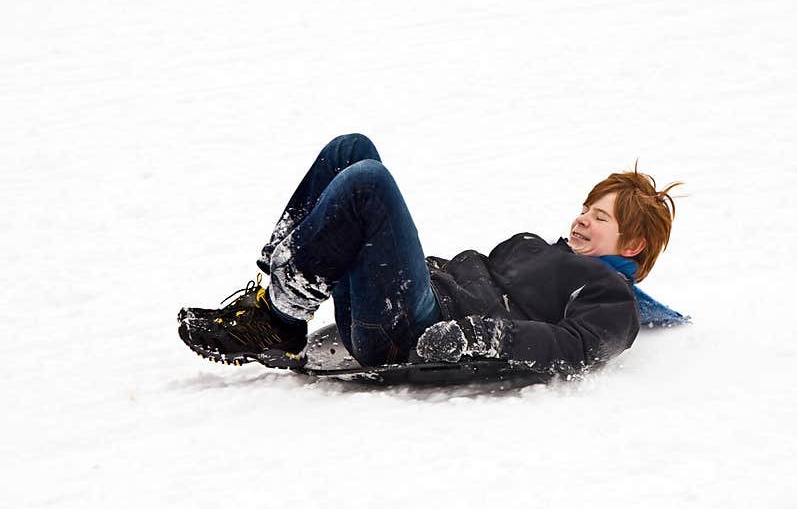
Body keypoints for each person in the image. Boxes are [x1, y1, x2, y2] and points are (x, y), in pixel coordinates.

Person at [178, 133, 684, 375]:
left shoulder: (610, 294)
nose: (581, 220)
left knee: (367, 183)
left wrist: (484, 336)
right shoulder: (539, 249)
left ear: (633, 245)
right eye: (585, 208)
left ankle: (281, 315)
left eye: (601, 218)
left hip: (416, 330)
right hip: (403, 298)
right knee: (350, 152)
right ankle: (275, 296)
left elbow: (577, 349)